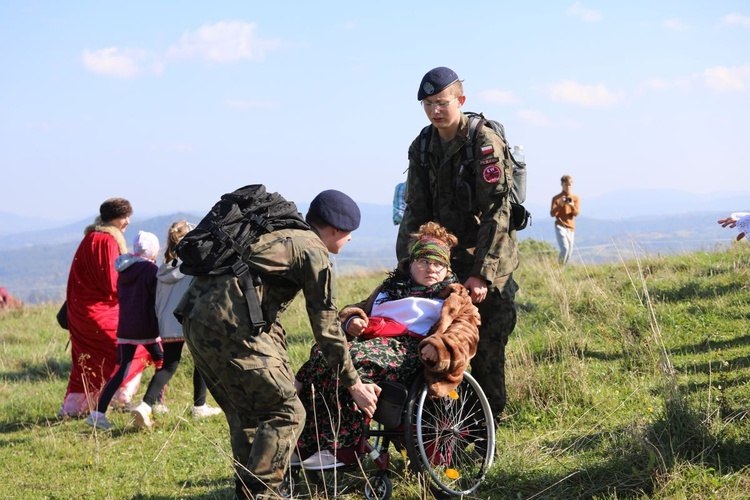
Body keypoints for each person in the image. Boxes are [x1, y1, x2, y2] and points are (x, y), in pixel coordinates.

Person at [176, 189, 381, 499]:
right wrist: (354, 384)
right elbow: (326, 328)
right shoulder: (313, 250)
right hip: (230, 326)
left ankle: (248, 491)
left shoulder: (280, 231)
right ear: (336, 230)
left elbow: (263, 308)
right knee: (288, 412)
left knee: (247, 414)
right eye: (349, 234)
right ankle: (266, 494)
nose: (349, 240)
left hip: (194, 319)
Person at [295, 221, 480, 469]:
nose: (431, 269)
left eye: (438, 264)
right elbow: (357, 309)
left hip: (410, 349)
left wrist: (440, 345)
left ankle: (344, 448)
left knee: (354, 363)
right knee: (323, 354)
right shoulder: (389, 289)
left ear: (447, 269)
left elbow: (466, 333)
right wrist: (352, 320)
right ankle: (307, 444)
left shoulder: (454, 298)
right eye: (424, 262)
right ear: (411, 264)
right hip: (373, 341)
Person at [396, 66, 519, 419]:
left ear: (460, 101)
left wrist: (482, 273)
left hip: (488, 259)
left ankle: (486, 431)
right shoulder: (422, 146)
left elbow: (499, 213)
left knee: (488, 346)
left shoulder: (483, 142)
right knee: (439, 342)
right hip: (443, 261)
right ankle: (443, 429)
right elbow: (415, 211)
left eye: (442, 102)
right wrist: (407, 264)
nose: (436, 110)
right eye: (428, 103)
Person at [60, 198, 151, 417]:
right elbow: (112, 283)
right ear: (113, 218)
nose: (128, 222)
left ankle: (76, 407)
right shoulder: (107, 241)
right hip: (99, 311)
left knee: (87, 361)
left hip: (79, 313)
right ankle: (121, 397)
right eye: (124, 216)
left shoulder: (90, 238)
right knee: (136, 346)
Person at [131, 221, 222, 419]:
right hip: (189, 320)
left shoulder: (162, 269)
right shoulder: (193, 268)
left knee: (169, 366)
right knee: (202, 361)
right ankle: (199, 406)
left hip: (166, 324)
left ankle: (146, 405)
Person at [86, 231, 165, 430]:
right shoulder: (151, 270)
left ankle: (97, 414)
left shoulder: (124, 269)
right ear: (154, 250)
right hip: (147, 327)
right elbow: (158, 298)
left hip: (125, 328)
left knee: (121, 370)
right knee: (162, 363)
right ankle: (156, 403)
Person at [550, 174, 580, 265]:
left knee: (569, 252)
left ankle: (562, 270)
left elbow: (576, 214)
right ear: (562, 184)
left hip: (571, 227)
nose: (568, 187)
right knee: (565, 249)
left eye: (570, 185)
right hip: (560, 226)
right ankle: (558, 268)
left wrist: (572, 206)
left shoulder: (575, 198)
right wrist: (560, 205)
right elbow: (552, 214)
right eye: (566, 185)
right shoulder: (556, 198)